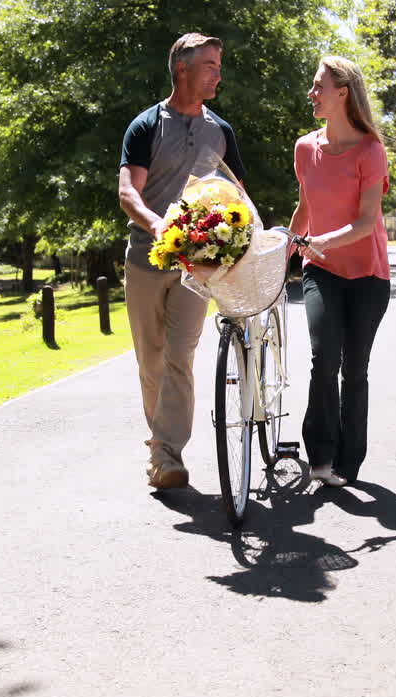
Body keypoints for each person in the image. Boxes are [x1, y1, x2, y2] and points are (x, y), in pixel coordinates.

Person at [118, 33, 246, 489]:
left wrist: (243, 238)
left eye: (218, 63)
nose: (218, 72)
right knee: (150, 361)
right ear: (183, 70)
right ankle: (160, 446)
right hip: (144, 260)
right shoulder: (146, 125)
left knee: (180, 356)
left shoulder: (221, 131)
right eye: (210, 64)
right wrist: (156, 224)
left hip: (197, 267)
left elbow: (239, 196)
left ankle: (168, 455)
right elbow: (128, 191)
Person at [289, 56, 391, 489]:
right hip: (322, 270)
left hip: (368, 275)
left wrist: (322, 241)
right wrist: (284, 252)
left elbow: (367, 221)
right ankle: (321, 456)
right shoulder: (304, 148)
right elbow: (305, 209)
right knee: (324, 357)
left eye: (318, 87)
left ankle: (349, 462)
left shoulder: (370, 150)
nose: (311, 94)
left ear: (343, 93)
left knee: (355, 369)